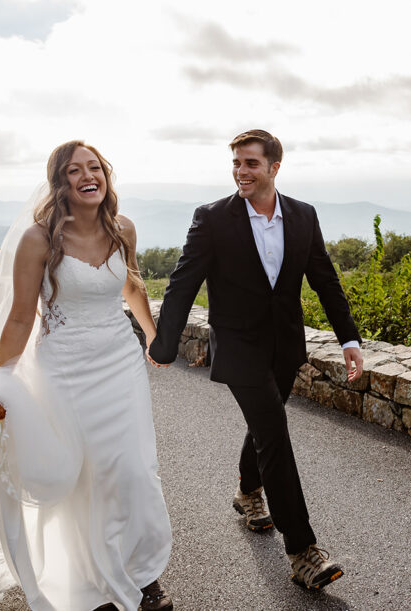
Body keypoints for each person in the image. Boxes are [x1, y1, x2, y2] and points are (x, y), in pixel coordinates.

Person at [0, 140, 173, 611]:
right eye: (74, 171)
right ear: (59, 182)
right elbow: (22, 317)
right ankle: (90, 583)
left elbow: (130, 283)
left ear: (105, 175)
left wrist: (153, 336)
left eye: (95, 167)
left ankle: (141, 572)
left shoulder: (122, 228)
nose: (88, 176)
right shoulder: (38, 239)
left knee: (132, 471)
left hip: (120, 365)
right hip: (65, 371)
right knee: (84, 476)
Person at [147, 129, 362, 590]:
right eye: (237, 164)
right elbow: (183, 282)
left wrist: (349, 339)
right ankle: (303, 551)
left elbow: (325, 279)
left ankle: (248, 493)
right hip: (239, 344)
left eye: (251, 164)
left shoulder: (303, 216)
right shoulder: (212, 219)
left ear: (274, 168)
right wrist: (163, 342)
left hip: (285, 344)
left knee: (266, 425)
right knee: (275, 431)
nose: (241, 172)